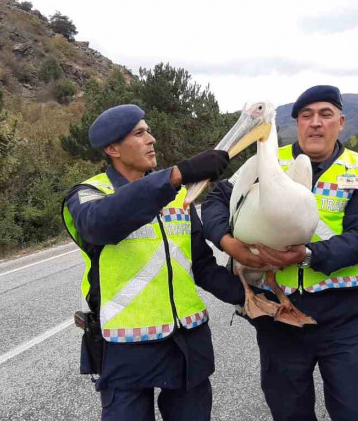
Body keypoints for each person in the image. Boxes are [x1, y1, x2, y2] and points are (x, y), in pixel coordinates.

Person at [202, 86, 358, 421]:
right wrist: (227, 242)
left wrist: (307, 255)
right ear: (296, 123)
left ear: (341, 122)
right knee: (289, 413)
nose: (316, 123)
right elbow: (217, 198)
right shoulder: (269, 160)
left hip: (342, 313)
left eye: (325, 114)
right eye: (306, 116)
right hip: (280, 318)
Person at [62, 104, 245, 421]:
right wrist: (177, 175)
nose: (152, 139)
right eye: (139, 133)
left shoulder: (179, 197)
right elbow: (100, 224)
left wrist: (252, 297)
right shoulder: (88, 194)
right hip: (126, 346)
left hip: (188, 340)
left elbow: (201, 266)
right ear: (112, 148)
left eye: (148, 130)